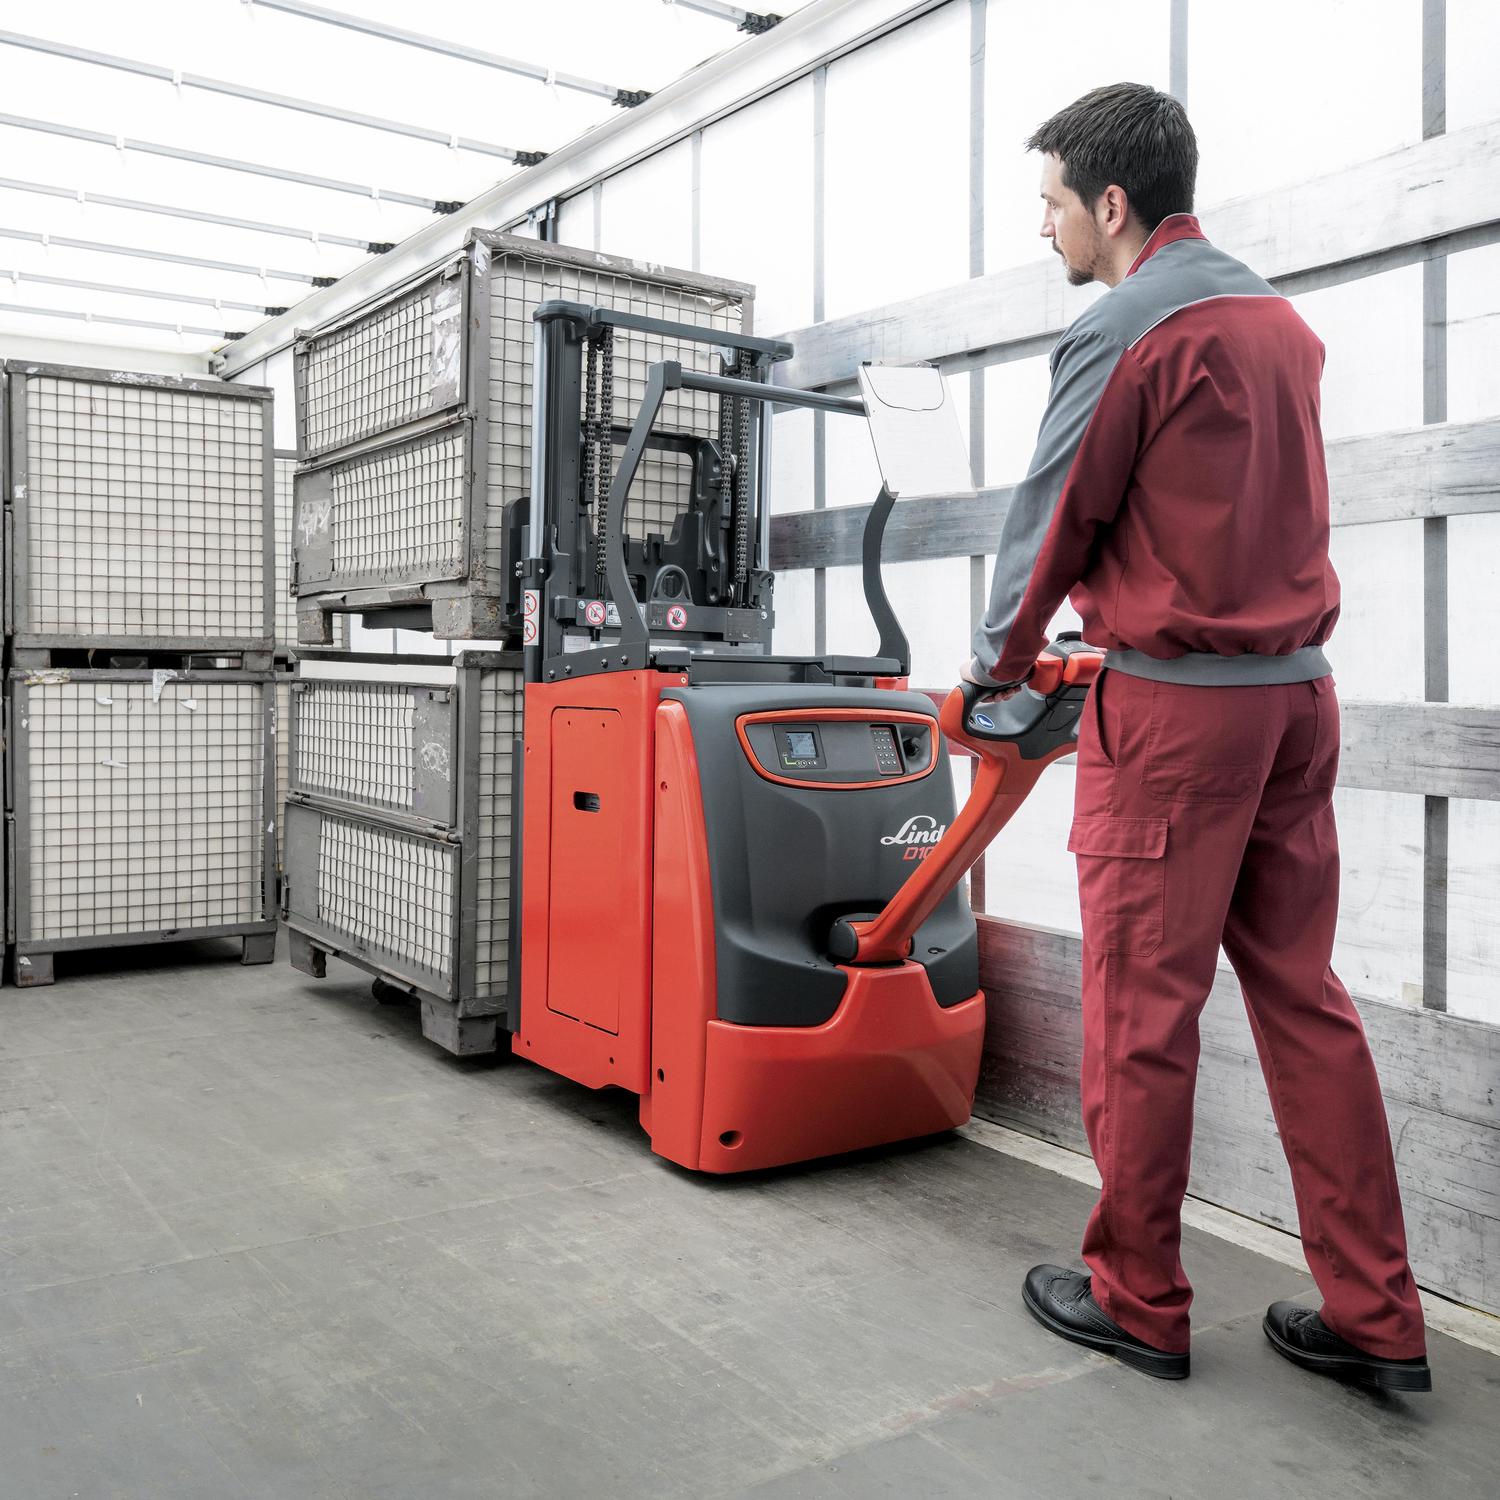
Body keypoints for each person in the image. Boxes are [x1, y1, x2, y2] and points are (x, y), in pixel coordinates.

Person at [963, 82, 1430, 1390]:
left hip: (1177, 724)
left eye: (1053, 203)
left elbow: (1052, 519)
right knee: (1304, 1000)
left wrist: (993, 668)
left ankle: (1138, 1300)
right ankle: (1378, 1316)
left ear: (1111, 205)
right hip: (1295, 703)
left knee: (1141, 1012)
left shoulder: (1123, 329)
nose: (1046, 228)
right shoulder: (1280, 326)